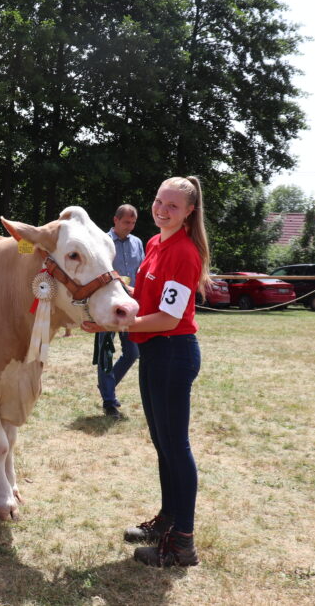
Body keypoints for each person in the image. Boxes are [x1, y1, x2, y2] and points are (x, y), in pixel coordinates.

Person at [82, 176, 211, 568]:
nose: (162, 209)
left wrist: (112, 325)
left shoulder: (185, 252)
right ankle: (168, 522)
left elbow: (170, 318)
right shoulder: (155, 243)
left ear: (190, 211)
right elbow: (144, 300)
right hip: (154, 351)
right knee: (163, 445)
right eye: (158, 201)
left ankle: (182, 544)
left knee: (176, 447)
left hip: (173, 352)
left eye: (172, 205)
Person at [95, 204, 145, 419]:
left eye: (133, 223)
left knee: (133, 352)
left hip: (131, 305)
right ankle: (109, 401)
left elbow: (141, 271)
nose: (130, 227)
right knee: (106, 353)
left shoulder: (137, 243)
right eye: (126, 222)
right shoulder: (101, 242)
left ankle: (107, 385)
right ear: (115, 220)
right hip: (107, 307)